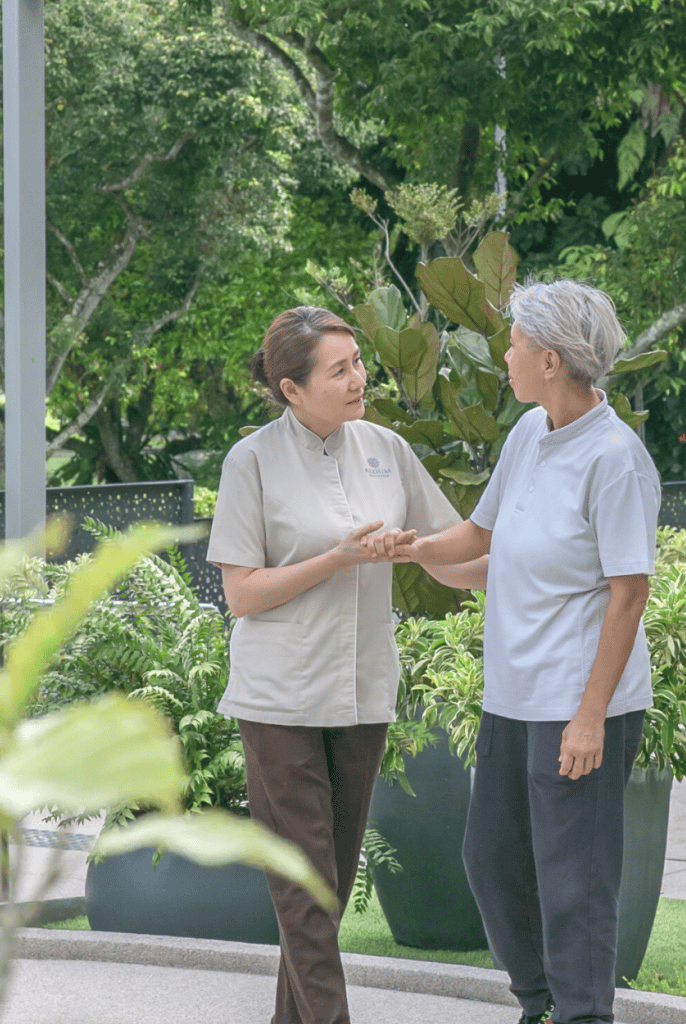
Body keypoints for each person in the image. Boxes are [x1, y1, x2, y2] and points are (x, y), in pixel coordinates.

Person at [367, 279, 660, 1024]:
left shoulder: (615, 460)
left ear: (552, 359)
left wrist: (591, 717)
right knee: (492, 863)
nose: (507, 354)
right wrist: (412, 547)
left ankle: (583, 1014)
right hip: (513, 698)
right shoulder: (530, 433)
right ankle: (537, 1003)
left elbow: (628, 594)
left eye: (518, 344)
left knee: (575, 883)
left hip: (579, 705)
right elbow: (481, 535)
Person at [206, 305, 486, 1024]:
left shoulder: (386, 448)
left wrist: (544, 562)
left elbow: (455, 554)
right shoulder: (253, 462)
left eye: (359, 363)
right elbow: (241, 594)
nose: (360, 378)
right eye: (340, 369)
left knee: (322, 890)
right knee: (306, 894)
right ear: (290, 388)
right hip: (280, 702)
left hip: (363, 695)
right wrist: (337, 558)